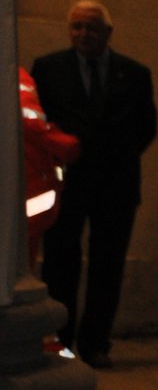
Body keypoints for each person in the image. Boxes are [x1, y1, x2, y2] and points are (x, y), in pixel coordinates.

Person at [32, 0, 158, 369]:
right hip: (66, 182)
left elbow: (146, 127)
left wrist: (114, 154)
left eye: (91, 28)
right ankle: (60, 340)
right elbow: (40, 122)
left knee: (108, 265)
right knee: (60, 263)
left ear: (107, 32)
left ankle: (95, 343)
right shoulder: (49, 68)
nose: (83, 35)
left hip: (116, 183)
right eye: (77, 27)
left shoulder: (134, 73)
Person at [19, 65, 80, 271]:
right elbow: (29, 122)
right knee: (20, 270)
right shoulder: (15, 77)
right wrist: (63, 144)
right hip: (27, 186)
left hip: (27, 185)